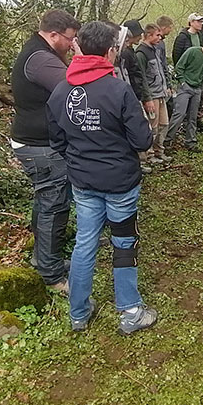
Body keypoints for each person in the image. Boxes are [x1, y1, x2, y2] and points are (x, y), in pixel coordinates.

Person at [47, 20, 158, 335]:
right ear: (109, 51)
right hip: (120, 183)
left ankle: (78, 314)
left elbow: (56, 141)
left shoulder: (60, 90)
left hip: (83, 183)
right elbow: (141, 141)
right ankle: (130, 311)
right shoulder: (118, 89)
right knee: (123, 243)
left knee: (84, 243)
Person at [10, 8, 81, 296]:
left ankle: (44, 259)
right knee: (54, 204)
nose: (71, 44)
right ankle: (51, 274)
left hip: (37, 141)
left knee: (47, 201)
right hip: (39, 145)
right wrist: (84, 61)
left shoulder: (40, 52)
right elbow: (73, 87)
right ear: (53, 34)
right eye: (69, 39)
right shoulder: (40, 59)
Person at [164, 41, 203, 152]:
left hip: (197, 89)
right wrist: (182, 82)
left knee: (193, 117)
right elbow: (179, 67)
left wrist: (201, 85)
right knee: (179, 114)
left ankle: (190, 141)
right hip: (185, 87)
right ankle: (167, 141)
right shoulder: (192, 51)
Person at [135, 24, 173, 166]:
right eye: (157, 35)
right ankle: (148, 155)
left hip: (161, 93)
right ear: (149, 35)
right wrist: (147, 98)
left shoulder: (155, 50)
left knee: (164, 124)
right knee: (153, 127)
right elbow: (142, 78)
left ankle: (159, 151)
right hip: (152, 95)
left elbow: (161, 70)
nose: (160, 37)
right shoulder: (141, 53)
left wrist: (167, 86)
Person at [115, 19, 147, 103]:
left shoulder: (130, 51)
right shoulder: (125, 54)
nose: (140, 37)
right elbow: (131, 75)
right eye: (138, 34)